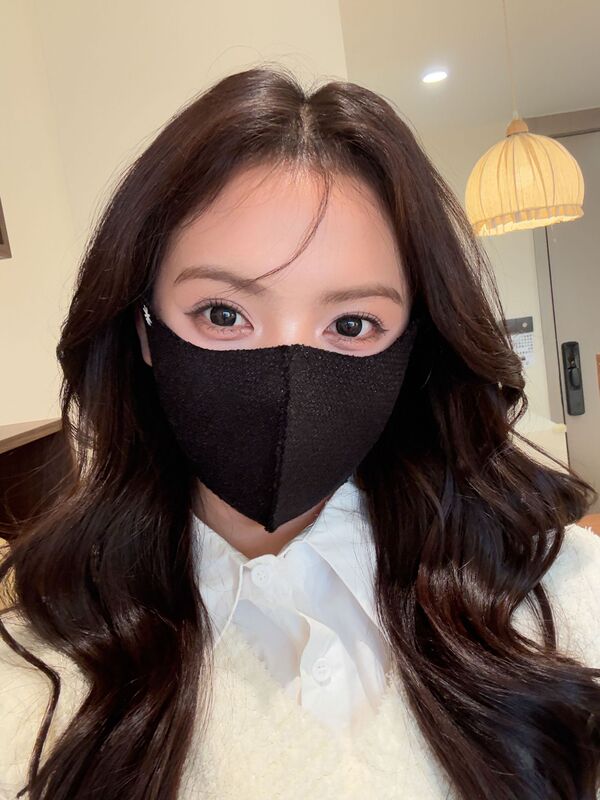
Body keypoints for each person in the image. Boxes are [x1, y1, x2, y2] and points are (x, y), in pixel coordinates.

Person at [0, 64, 599, 800]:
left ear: (413, 347)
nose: (286, 383)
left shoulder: (562, 593)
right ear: (144, 329)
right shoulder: (35, 677)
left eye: (351, 324)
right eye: (224, 314)